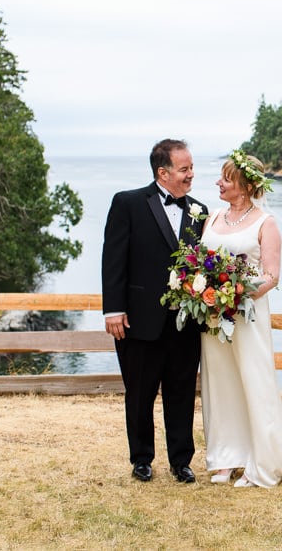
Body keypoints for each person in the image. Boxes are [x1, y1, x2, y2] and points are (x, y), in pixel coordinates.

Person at [200, 149, 282, 488]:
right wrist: (207, 295)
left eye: (225, 178)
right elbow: (201, 263)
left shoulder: (265, 223)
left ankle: (261, 461)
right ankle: (225, 457)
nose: (218, 182)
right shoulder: (212, 217)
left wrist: (236, 295)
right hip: (214, 317)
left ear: (243, 186)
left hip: (248, 316)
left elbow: (271, 276)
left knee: (253, 381)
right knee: (219, 382)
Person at [101, 139, 207, 484]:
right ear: (163, 172)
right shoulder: (127, 203)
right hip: (137, 320)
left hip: (185, 323)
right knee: (140, 393)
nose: (191, 174)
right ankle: (142, 459)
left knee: (180, 394)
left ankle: (181, 461)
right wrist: (113, 310)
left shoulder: (200, 211)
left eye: (191, 167)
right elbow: (113, 259)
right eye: (184, 168)